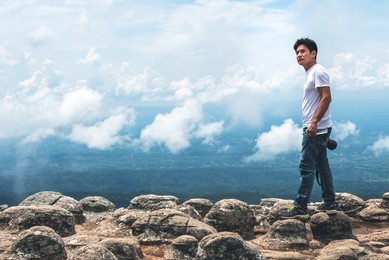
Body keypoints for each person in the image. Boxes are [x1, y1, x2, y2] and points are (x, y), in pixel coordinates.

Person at [279, 38, 336, 219]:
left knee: (306, 167)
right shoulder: (312, 72)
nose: (299, 55)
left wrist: (314, 123)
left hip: (316, 129)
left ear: (314, 53)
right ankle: (329, 203)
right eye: (297, 52)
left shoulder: (318, 71)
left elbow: (326, 98)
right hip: (319, 128)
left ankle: (300, 207)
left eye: (303, 51)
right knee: (321, 166)